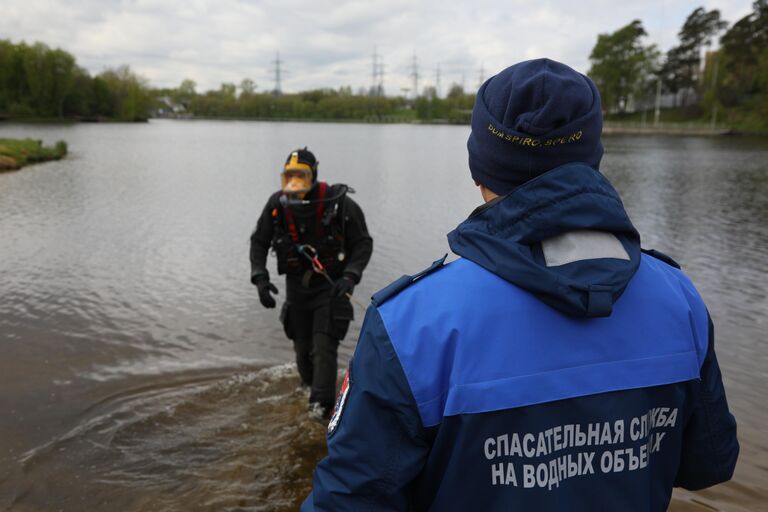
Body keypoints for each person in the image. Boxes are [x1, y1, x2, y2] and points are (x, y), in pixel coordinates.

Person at [301, 59, 738, 510]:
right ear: (592, 160)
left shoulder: (410, 324)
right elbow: (709, 465)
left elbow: (348, 500)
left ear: (479, 169)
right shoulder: (677, 298)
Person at [250, 147, 372, 419]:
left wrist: (350, 276)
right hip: (297, 290)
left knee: (323, 347)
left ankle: (321, 410)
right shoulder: (277, 205)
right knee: (302, 351)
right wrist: (260, 277)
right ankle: (309, 393)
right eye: (289, 176)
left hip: (331, 288)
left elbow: (363, 242)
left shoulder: (339, 204)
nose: (294, 182)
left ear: (313, 175)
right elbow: (259, 241)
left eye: (301, 175)